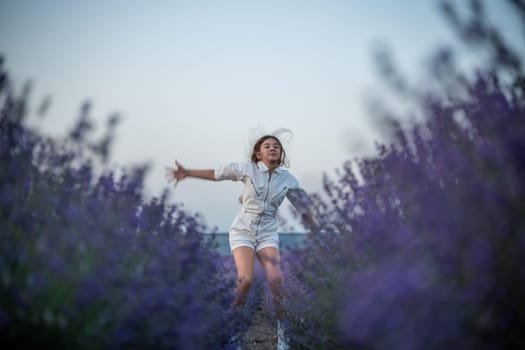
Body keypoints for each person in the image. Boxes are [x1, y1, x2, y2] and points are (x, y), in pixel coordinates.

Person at [165, 132, 318, 349]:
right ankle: (233, 329)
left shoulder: (288, 180)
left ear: (281, 153)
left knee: (276, 280)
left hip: (267, 233)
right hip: (243, 231)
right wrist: (188, 172)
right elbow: (218, 173)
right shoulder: (248, 169)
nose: (272, 148)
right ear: (258, 153)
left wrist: (317, 231)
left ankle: (283, 332)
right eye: (267, 146)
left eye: (276, 146)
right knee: (245, 280)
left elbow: (303, 208)